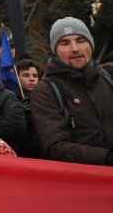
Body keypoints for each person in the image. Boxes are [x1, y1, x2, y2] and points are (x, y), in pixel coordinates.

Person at [31, 17, 113, 166]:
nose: (75, 48)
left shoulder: (107, 79)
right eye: (65, 43)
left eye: (81, 40)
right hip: (82, 183)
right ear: (55, 51)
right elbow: (56, 148)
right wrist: (108, 158)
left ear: (90, 44)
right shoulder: (46, 91)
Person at [16, 58, 43, 158]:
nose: (32, 79)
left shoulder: (46, 98)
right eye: (26, 75)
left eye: (35, 76)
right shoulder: (12, 99)